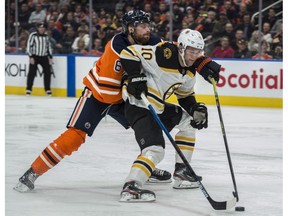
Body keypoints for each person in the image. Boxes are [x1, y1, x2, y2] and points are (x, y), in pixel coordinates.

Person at [14, 10, 171, 193]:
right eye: (143, 26)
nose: (148, 30)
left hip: (120, 97)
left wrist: (201, 62)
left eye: (148, 25)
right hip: (98, 94)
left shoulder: (151, 42)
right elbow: (106, 91)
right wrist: (132, 83)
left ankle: (146, 168)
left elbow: (172, 52)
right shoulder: (116, 45)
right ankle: (33, 172)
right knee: (75, 136)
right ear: (130, 29)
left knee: (148, 128)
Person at [119, 29, 220, 202]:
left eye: (198, 52)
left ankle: (182, 172)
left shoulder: (189, 72)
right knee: (155, 151)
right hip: (140, 106)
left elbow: (185, 96)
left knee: (189, 123)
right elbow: (128, 52)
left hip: (158, 107)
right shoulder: (164, 53)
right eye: (191, 51)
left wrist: (196, 108)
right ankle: (131, 187)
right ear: (181, 47)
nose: (194, 56)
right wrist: (135, 76)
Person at [26, 22, 53, 96]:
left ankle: (47, 89)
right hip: (35, 56)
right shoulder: (33, 35)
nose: (42, 29)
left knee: (47, 73)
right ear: (37, 28)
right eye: (40, 28)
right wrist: (31, 57)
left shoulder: (46, 36)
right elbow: (29, 46)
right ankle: (28, 89)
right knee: (31, 73)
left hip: (44, 57)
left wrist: (50, 57)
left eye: (43, 28)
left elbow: (48, 47)